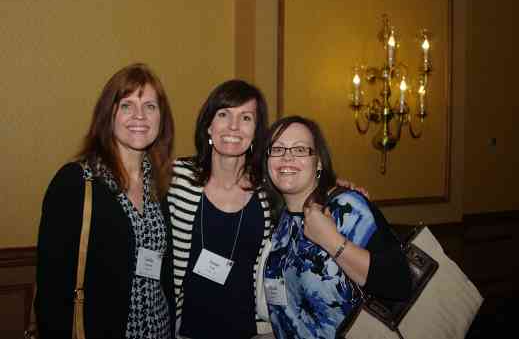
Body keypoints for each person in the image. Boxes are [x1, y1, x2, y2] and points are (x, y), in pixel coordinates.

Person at [35, 63, 176, 339]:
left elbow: (165, 274)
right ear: (107, 115)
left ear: (161, 118)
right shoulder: (75, 183)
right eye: (126, 105)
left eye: (150, 106)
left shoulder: (161, 186)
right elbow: (51, 289)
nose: (139, 115)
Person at [262, 115, 412, 339]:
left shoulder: (346, 207)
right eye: (278, 149)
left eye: (300, 149)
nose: (287, 157)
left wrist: (332, 241)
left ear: (319, 162)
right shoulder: (282, 220)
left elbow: (399, 283)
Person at [167, 79, 273, 339]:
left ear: (256, 132)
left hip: (249, 331)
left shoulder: (268, 191)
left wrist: (340, 188)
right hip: (185, 331)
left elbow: (308, 190)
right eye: (224, 114)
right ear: (208, 126)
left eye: (246, 117)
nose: (233, 126)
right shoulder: (176, 178)